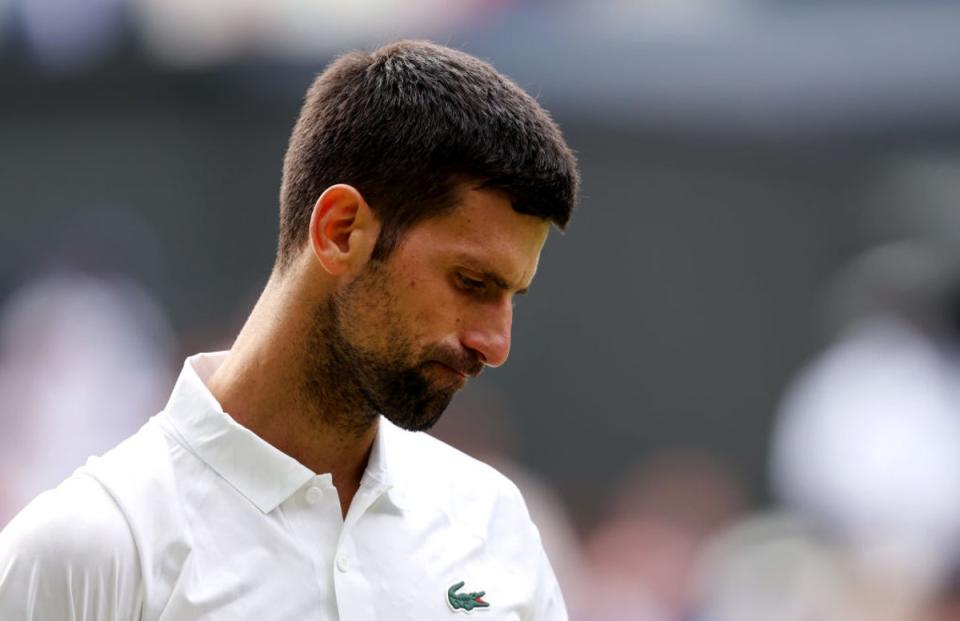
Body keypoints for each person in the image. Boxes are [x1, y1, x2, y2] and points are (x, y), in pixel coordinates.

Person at [0, 40, 579, 620]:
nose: (495, 344)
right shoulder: (87, 551)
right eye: (471, 282)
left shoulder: (495, 524)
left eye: (512, 297)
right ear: (340, 230)